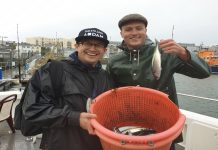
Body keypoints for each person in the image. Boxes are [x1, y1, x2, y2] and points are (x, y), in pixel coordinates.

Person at [106, 13, 211, 150]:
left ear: (146, 31)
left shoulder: (167, 54)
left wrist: (185, 54)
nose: (134, 33)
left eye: (139, 28)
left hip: (164, 125)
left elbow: (204, 73)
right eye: (128, 29)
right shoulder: (114, 61)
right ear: (121, 34)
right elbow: (110, 94)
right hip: (129, 125)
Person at [23, 28, 113, 150]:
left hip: (97, 143)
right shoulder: (52, 70)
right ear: (77, 46)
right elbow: (32, 110)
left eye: (98, 45)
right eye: (87, 43)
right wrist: (75, 118)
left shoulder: (105, 76)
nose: (92, 48)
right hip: (60, 144)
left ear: (104, 50)